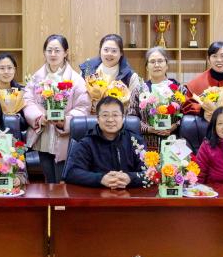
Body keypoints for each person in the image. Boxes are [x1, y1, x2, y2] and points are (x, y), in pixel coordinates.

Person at [23, 34, 90, 183]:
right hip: (44, 136)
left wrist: (64, 121)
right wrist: (39, 117)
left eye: (57, 50)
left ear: (65, 52)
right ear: (44, 52)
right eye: (49, 50)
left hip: (65, 137)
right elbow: (27, 100)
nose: (53, 54)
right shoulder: (37, 78)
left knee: (62, 182)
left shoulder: (76, 79)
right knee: (48, 181)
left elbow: (83, 107)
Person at [63, 96, 146, 189]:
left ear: (122, 118)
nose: (110, 120)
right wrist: (101, 179)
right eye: (105, 115)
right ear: (98, 119)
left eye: (115, 115)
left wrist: (130, 178)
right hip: (96, 195)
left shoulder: (135, 141)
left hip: (130, 194)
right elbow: (72, 173)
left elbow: (149, 172)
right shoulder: (86, 143)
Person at [129, 47, 188, 151]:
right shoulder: (139, 91)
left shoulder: (179, 89)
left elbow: (187, 116)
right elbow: (132, 119)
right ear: (147, 67)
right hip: (146, 146)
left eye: (160, 61)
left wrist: (174, 126)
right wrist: (148, 129)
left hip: (174, 145)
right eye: (152, 62)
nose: (156, 65)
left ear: (167, 65)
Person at [79, 34, 145, 106]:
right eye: (106, 50)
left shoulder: (130, 76)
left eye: (114, 51)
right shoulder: (87, 69)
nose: (109, 54)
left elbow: (134, 104)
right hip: (90, 112)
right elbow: (79, 96)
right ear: (100, 51)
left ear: (121, 53)